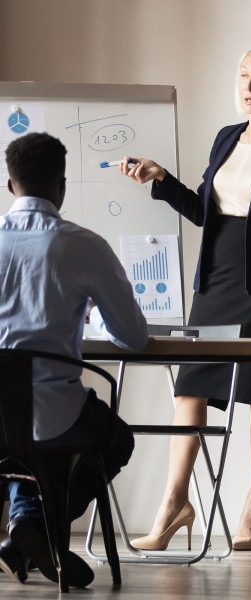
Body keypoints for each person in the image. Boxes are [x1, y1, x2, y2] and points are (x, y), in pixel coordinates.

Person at [120, 45, 251, 551]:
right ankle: (174, 503)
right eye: (242, 75)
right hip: (215, 279)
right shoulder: (226, 139)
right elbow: (205, 211)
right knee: (190, 388)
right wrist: (162, 180)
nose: (249, 84)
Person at [0, 132, 147, 587]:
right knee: (116, 439)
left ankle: (27, 524)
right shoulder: (84, 246)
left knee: (13, 438)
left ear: (10, 186)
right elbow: (135, 337)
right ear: (62, 186)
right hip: (57, 420)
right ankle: (38, 527)